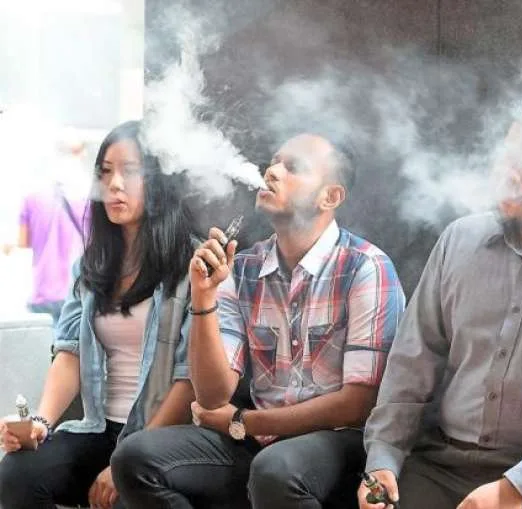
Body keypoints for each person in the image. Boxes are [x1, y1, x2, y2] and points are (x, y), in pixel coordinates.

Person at [111, 133, 406, 509]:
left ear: (330, 197)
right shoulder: (244, 268)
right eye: (273, 162)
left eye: (293, 167)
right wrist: (203, 299)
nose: (272, 172)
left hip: (338, 445)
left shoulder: (366, 267)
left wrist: (243, 421)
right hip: (257, 443)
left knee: (276, 468)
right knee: (136, 458)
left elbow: (357, 404)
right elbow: (212, 395)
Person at [358, 156, 522, 509]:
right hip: (441, 460)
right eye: (510, 158)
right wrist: (382, 458)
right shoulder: (459, 239)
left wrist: (514, 489)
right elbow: (413, 359)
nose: (511, 175)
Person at [0, 120, 198, 509]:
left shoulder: (191, 265)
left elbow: (189, 381)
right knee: (16, 474)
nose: (114, 184)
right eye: (105, 172)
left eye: (130, 171)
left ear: (159, 180)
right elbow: (69, 352)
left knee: (129, 499)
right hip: (97, 427)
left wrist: (127, 462)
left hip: (160, 436)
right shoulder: (91, 263)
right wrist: (39, 423)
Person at [5, 136, 89, 326]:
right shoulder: (86, 199)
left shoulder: (32, 197)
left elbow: (24, 242)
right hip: (75, 294)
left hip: (41, 294)